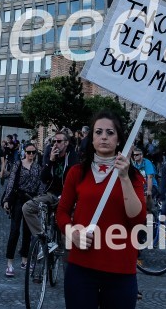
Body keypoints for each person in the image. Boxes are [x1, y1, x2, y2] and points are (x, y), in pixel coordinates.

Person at [56, 110, 146, 309]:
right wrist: (72, 232)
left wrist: (124, 177)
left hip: (120, 269)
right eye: (98, 132)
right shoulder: (77, 172)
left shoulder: (133, 176)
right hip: (81, 266)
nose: (104, 136)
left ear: (119, 139)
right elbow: (62, 212)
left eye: (110, 132)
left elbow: (137, 219)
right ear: (92, 138)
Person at [23, 129, 79, 241]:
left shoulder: (73, 157)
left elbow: (75, 179)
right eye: (54, 141)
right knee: (27, 208)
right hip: (51, 194)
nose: (55, 144)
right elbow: (43, 178)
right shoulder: (51, 155)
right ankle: (43, 239)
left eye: (58, 141)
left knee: (65, 234)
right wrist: (50, 160)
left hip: (67, 197)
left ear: (66, 143)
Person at [2, 142, 42, 277]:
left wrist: (40, 202)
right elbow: (11, 182)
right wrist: (7, 200)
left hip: (31, 200)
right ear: (24, 152)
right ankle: (9, 263)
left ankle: (25, 259)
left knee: (27, 232)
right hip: (19, 199)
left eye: (33, 152)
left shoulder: (37, 167)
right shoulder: (18, 165)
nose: (31, 155)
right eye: (29, 152)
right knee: (14, 231)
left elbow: (40, 185)